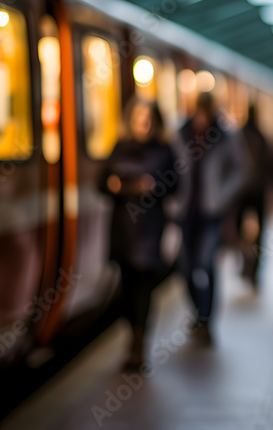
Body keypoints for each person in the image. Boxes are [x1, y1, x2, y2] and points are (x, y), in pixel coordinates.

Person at [99, 97, 179, 369]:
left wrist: (153, 187)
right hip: (123, 229)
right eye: (138, 120)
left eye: (148, 120)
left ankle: (138, 345)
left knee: (144, 287)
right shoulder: (119, 147)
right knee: (126, 287)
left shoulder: (165, 149)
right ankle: (131, 336)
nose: (143, 125)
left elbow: (175, 185)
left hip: (149, 228)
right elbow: (101, 182)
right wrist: (116, 186)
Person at [178, 91, 247, 340]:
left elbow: (240, 170)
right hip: (185, 211)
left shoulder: (225, 136)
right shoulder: (181, 132)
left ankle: (206, 321)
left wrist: (222, 196)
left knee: (205, 264)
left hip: (212, 212)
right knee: (185, 267)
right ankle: (198, 313)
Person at [232, 103, 269, 296]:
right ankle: (254, 271)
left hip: (241, 192)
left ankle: (244, 264)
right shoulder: (261, 137)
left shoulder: (239, 136)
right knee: (260, 233)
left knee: (239, 231)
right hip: (258, 191)